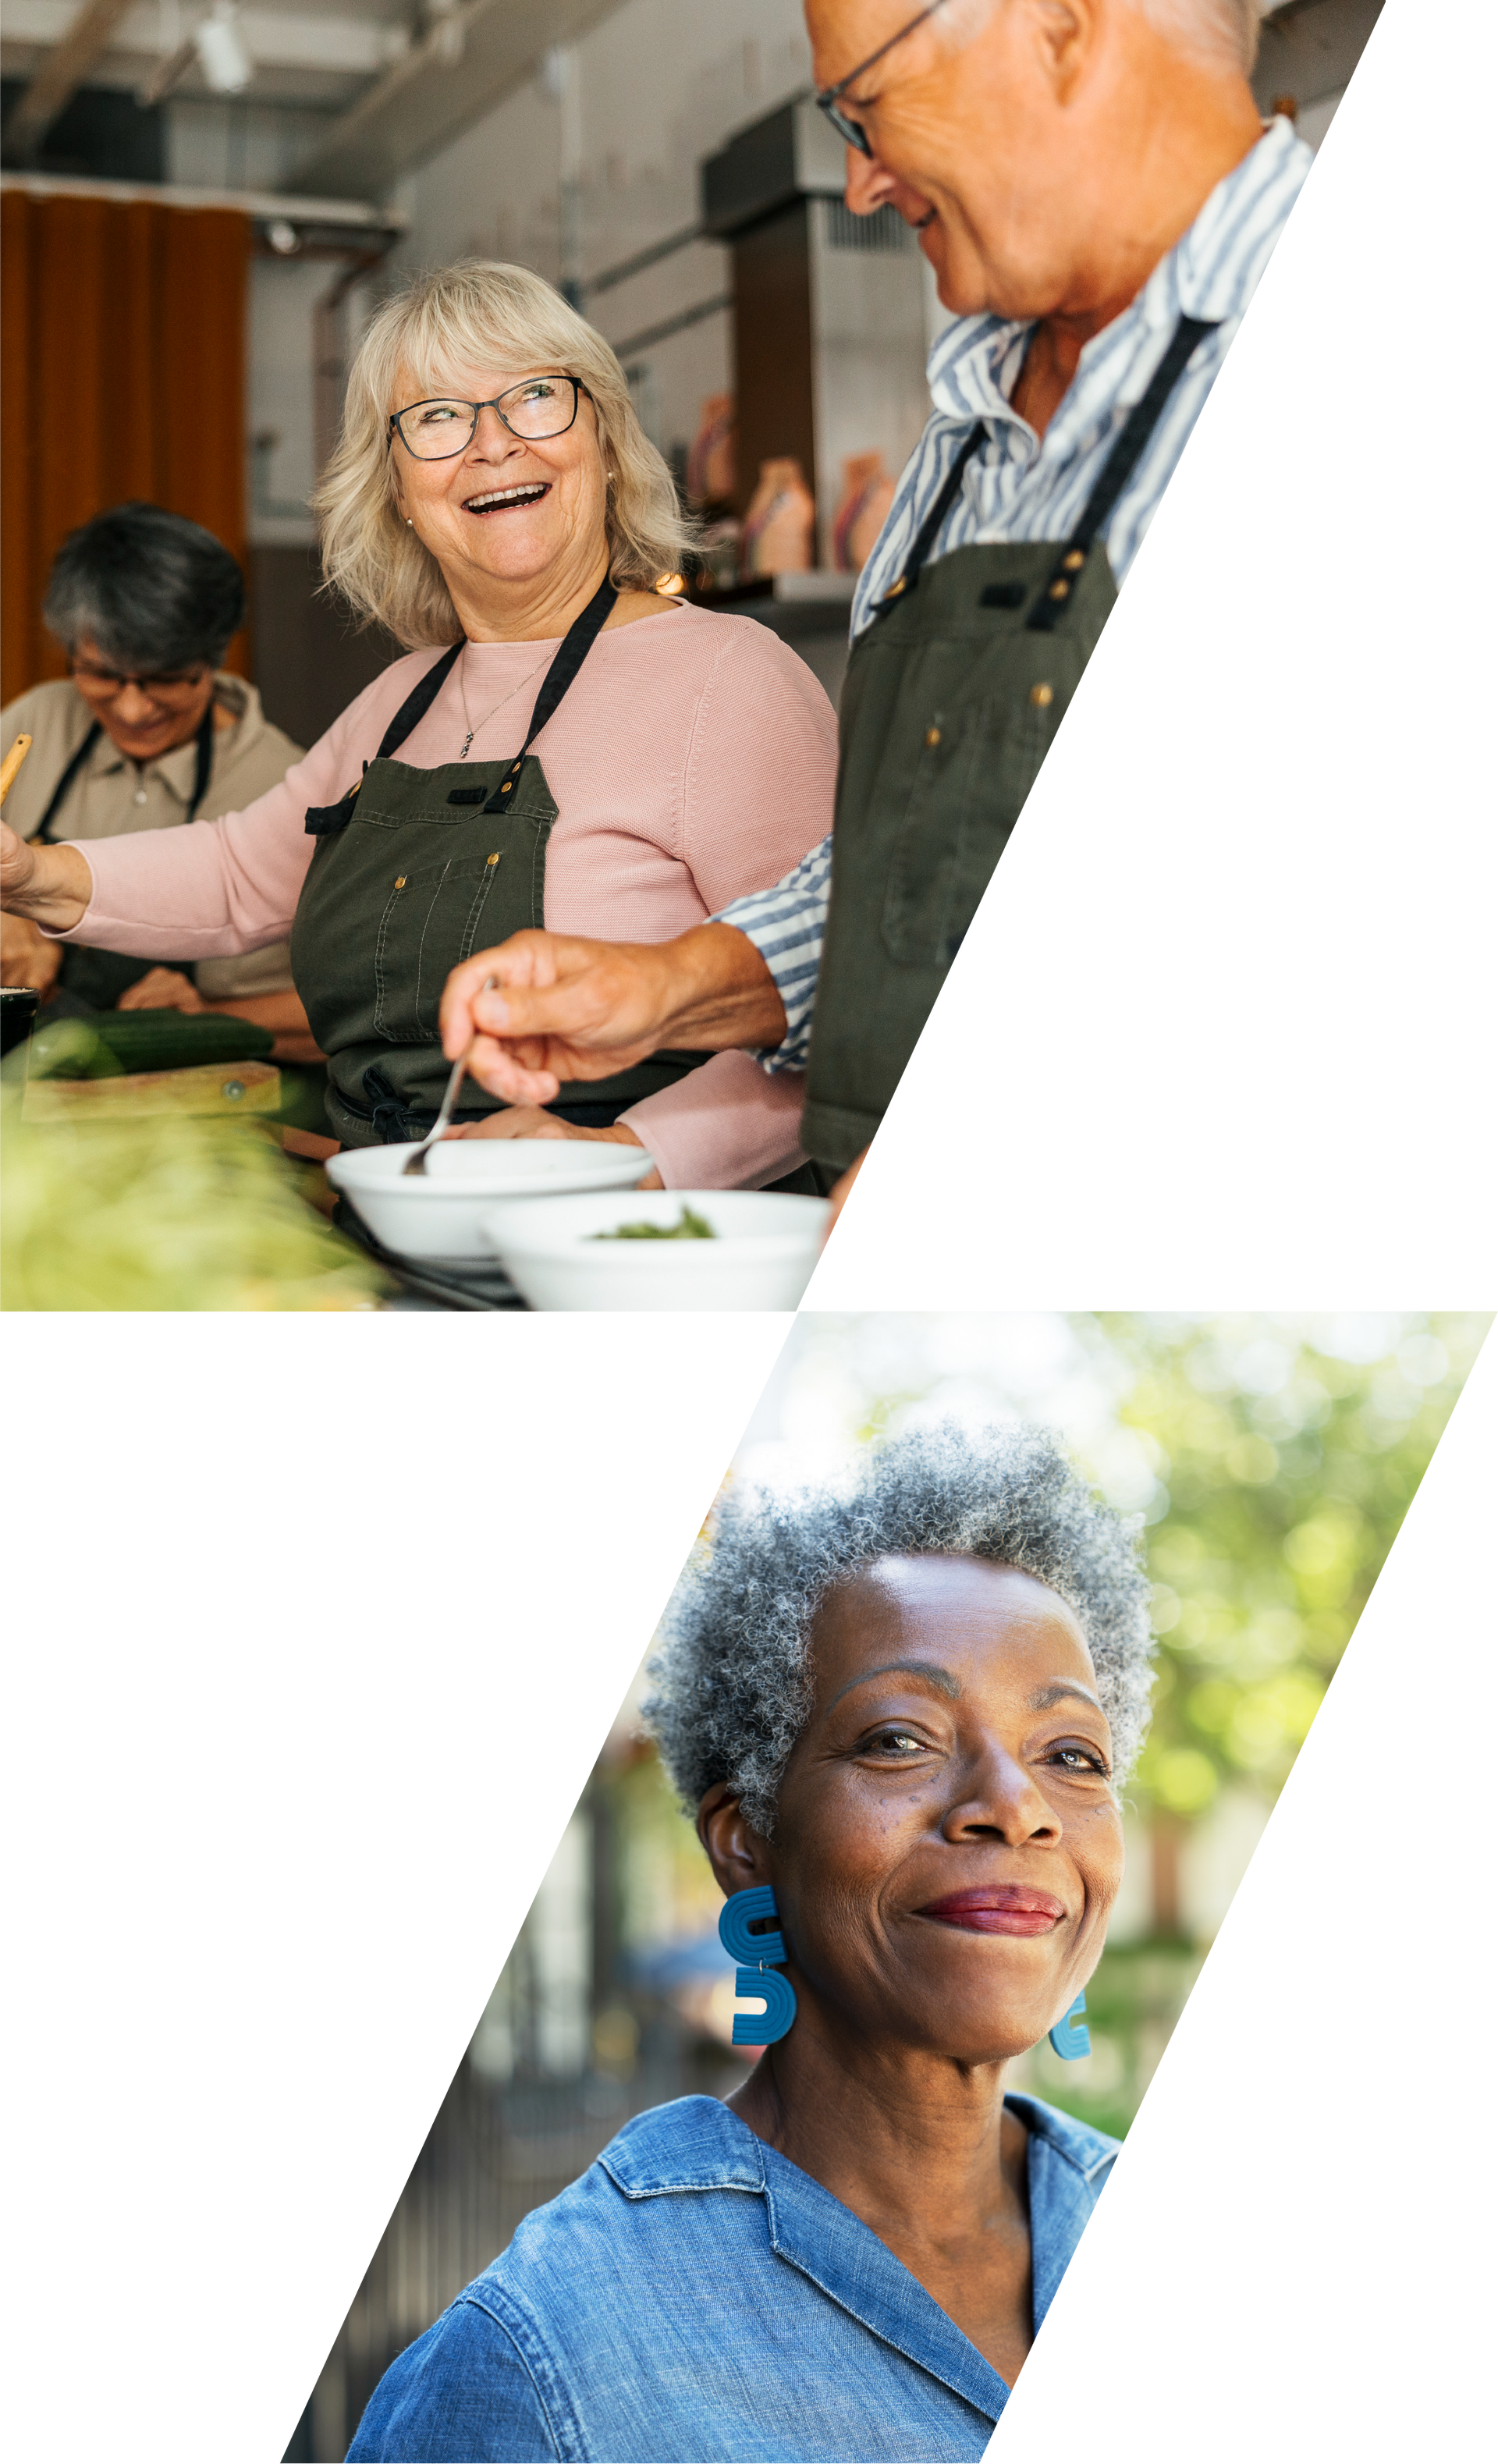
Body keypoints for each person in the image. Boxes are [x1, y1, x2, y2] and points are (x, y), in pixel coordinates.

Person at [434, 0, 1315, 1212]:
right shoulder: (963, 441)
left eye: (866, 107)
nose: (857, 184)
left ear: (1061, 27)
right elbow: (911, 872)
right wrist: (671, 986)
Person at [344, 1423, 1153, 2459]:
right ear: (746, 1839)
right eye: (899, 1736)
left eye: (1072, 1752)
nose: (1015, 1805)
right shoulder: (544, 2367)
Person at [0, 264, 836, 1182]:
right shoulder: (402, 700)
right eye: (437, 417)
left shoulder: (733, 677)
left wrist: (622, 1158)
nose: (492, 444)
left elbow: (838, 1006)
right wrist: (30, 873)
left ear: (602, 440)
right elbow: (241, 875)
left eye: (534, 398)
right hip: (394, 1216)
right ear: (397, 486)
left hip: (632, 1244)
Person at [0, 503, 318, 1065]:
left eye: (165, 678)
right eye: (100, 674)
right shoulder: (37, 723)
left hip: (213, 1105)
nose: (131, 707)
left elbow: (360, 1011)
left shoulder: (286, 782)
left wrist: (209, 1018)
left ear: (213, 657)